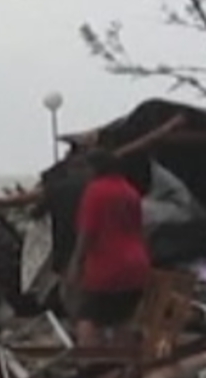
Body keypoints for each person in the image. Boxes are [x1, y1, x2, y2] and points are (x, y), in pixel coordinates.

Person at [64, 148, 151, 349]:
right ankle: (123, 370)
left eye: (83, 167)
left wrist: (75, 265)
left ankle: (92, 367)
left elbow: (87, 233)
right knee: (122, 319)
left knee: (86, 318)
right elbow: (141, 230)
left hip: (107, 267)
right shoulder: (130, 190)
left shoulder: (95, 191)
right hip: (137, 266)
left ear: (95, 168)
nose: (81, 173)